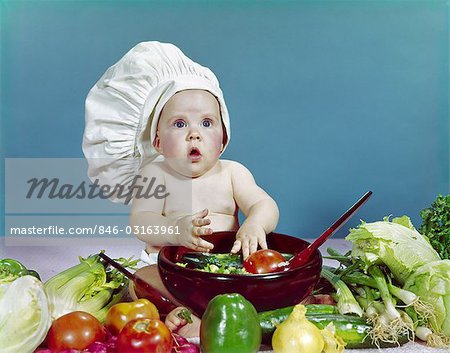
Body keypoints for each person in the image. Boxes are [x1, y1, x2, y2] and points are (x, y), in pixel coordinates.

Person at [83, 41, 279, 336]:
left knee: (272, 279)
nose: (194, 134)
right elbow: (142, 222)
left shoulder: (233, 172)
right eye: (178, 124)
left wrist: (254, 225)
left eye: (207, 122)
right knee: (141, 281)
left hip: (229, 271)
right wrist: (176, 231)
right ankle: (185, 317)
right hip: (173, 272)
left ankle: (214, 316)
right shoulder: (155, 173)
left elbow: (265, 205)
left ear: (223, 139)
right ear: (158, 142)